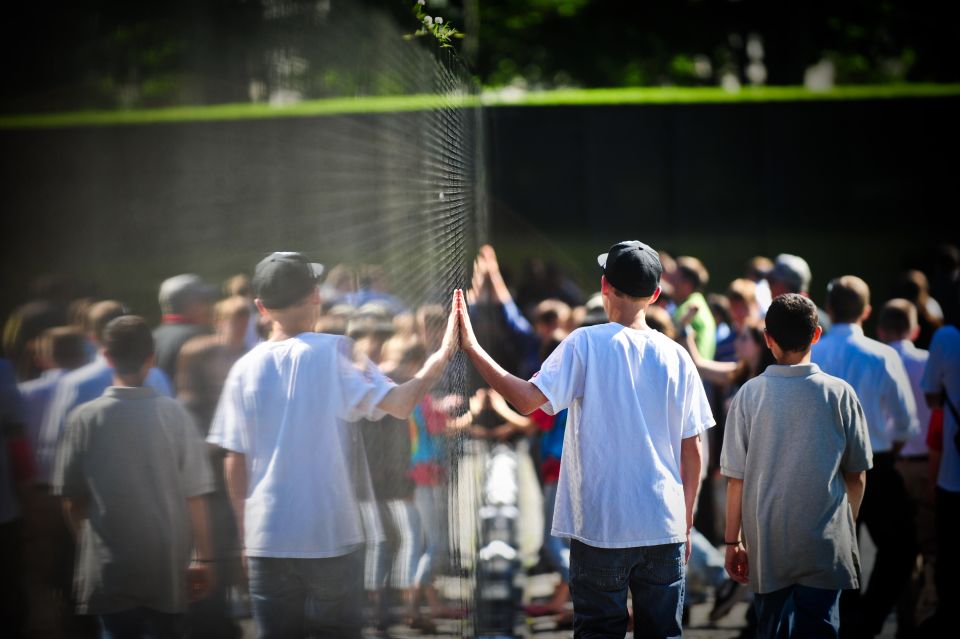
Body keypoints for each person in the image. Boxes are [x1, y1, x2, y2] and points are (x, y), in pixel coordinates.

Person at [454, 240, 714, 638]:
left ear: (604, 285)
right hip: (664, 523)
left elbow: (527, 401)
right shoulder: (677, 355)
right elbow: (693, 449)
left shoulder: (585, 343)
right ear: (656, 295)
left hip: (601, 527)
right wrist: (687, 520)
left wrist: (471, 348)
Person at [206, 251, 456, 639]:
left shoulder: (243, 368)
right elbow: (401, 404)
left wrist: (245, 534)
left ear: (261, 306)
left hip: (266, 539)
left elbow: (233, 459)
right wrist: (438, 360)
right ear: (315, 295)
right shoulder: (335, 351)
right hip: (330, 536)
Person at [52, 316, 215, 638]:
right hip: (166, 565)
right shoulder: (174, 415)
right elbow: (194, 496)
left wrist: (88, 545)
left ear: (107, 356)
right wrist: (204, 558)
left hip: (109, 566)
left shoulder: (83, 419)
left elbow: (72, 500)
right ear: (151, 359)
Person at [721, 294, 871, 638]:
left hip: (767, 542)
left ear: (767, 338)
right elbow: (857, 475)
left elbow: (735, 480)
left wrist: (733, 542)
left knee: (772, 628)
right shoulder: (841, 394)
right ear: (816, 334)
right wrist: (844, 524)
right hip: (825, 540)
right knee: (821, 627)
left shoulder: (749, 395)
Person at [811, 275, 918, 638]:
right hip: (878, 463)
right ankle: (867, 620)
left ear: (828, 308)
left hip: (825, 466)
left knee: (835, 552)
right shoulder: (883, 355)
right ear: (867, 311)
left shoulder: (815, 353)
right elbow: (905, 421)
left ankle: (850, 615)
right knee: (901, 549)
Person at [875, 298, 937, 632]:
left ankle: (907, 620)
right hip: (931, 464)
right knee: (929, 546)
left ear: (881, 329)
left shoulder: (878, 359)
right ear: (915, 328)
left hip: (893, 465)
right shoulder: (929, 362)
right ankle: (928, 613)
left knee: (897, 549)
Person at [918, 316, 960, 634]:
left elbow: (932, 398)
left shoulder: (947, 338)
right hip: (949, 473)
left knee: (948, 558)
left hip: (952, 473)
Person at [153, 274, 217, 382]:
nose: (209, 307)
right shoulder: (200, 337)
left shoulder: (152, 336)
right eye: (204, 300)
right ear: (190, 304)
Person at [670, 256, 717, 360]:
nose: (670, 283)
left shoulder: (687, 308)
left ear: (687, 284)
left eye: (674, 279)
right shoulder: (698, 302)